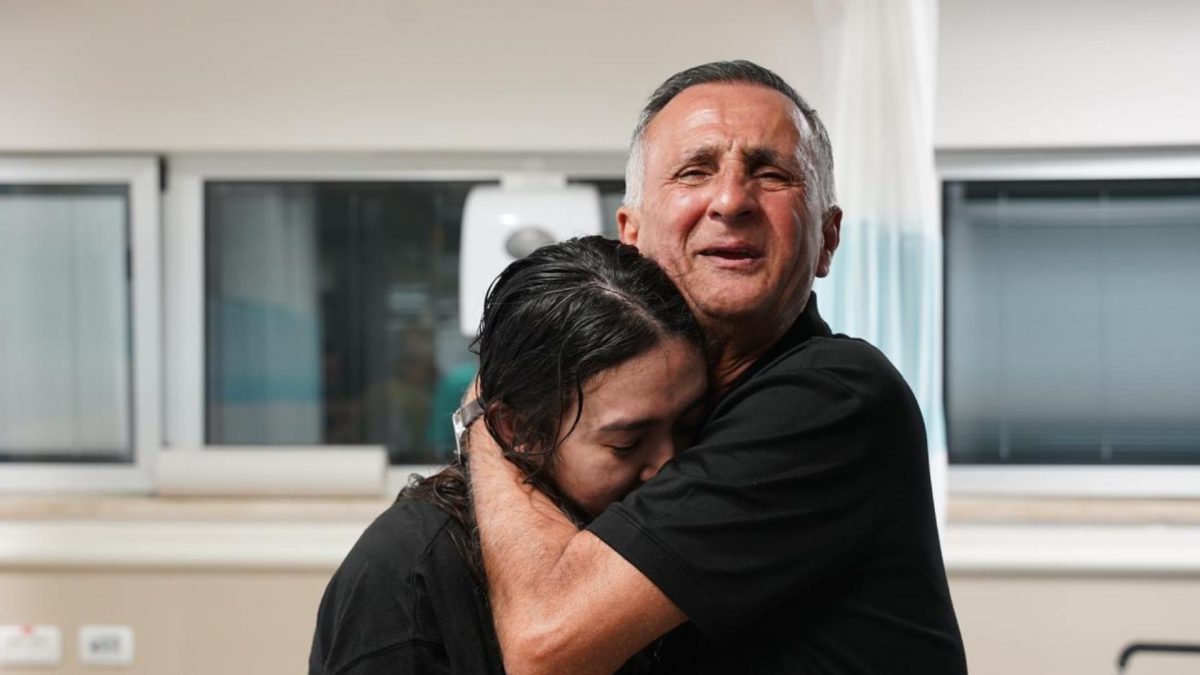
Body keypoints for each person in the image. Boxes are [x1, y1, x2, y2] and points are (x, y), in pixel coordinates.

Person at [465, 61, 968, 674]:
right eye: (694, 171)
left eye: (771, 173)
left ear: (828, 240)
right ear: (632, 234)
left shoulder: (831, 396)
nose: (731, 200)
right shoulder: (667, 411)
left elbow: (548, 645)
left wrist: (484, 423)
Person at [308, 236, 709, 674]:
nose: (669, 465)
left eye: (690, 426)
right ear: (518, 430)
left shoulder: (679, 524)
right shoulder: (407, 574)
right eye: (626, 444)